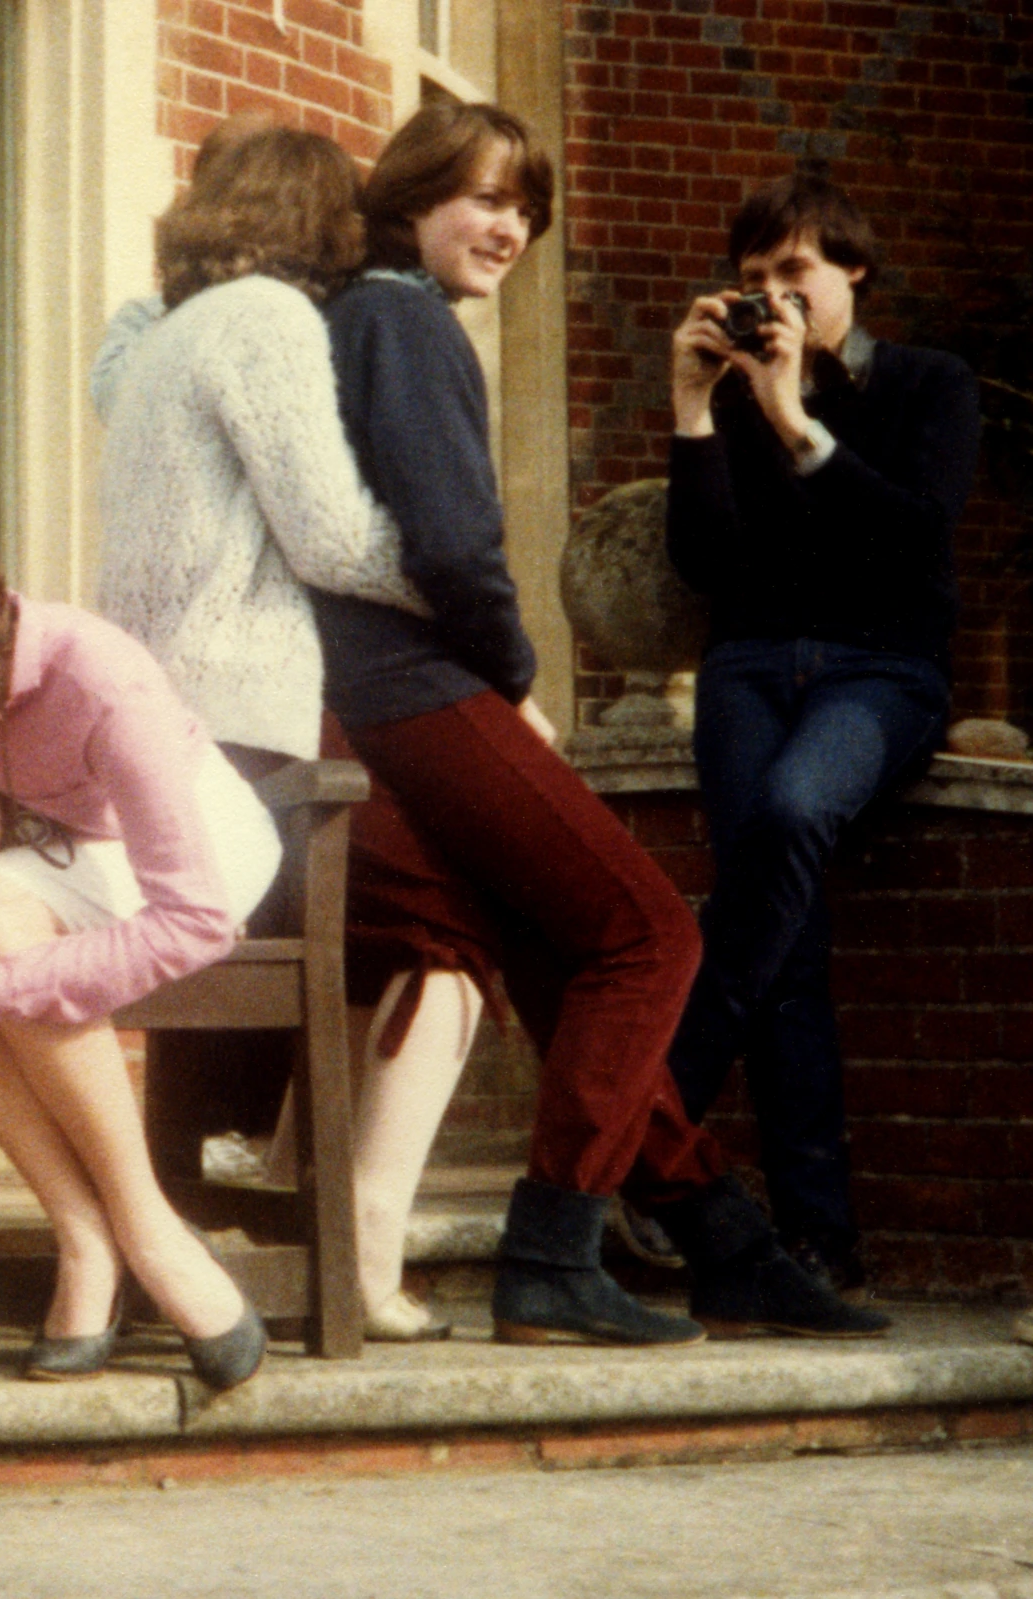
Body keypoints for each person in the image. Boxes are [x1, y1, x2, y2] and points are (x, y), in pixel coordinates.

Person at [318, 101, 886, 1343]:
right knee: (645, 937)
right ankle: (551, 1251)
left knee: (560, 948)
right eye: (479, 197)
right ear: (408, 197)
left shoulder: (361, 318)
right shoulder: (403, 323)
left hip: (370, 693)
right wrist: (514, 671)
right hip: (418, 686)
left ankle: (715, 1235)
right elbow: (454, 545)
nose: (507, 227)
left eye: (524, 208)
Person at [91, 116, 482, 1344]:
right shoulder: (264, 321)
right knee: (450, 931)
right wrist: (461, 582)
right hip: (246, 728)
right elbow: (328, 535)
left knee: (332, 951)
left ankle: (252, 1205)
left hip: (161, 722)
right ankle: (354, 1254)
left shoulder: (157, 342)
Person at [0, 463, 283, 1390]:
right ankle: (80, 1233)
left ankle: (146, 1225)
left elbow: (190, 921)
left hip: (198, 856)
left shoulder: (99, 679)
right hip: (66, 849)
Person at [663, 176, 979, 1304]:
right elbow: (703, 566)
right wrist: (695, 413)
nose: (769, 300)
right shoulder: (735, 399)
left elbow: (910, 539)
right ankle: (817, 1241)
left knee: (794, 811)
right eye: (750, 281)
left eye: (792, 274)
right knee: (782, 954)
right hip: (748, 668)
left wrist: (794, 417)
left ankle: (646, 1113)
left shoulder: (930, 386)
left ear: (851, 272)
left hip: (881, 673)